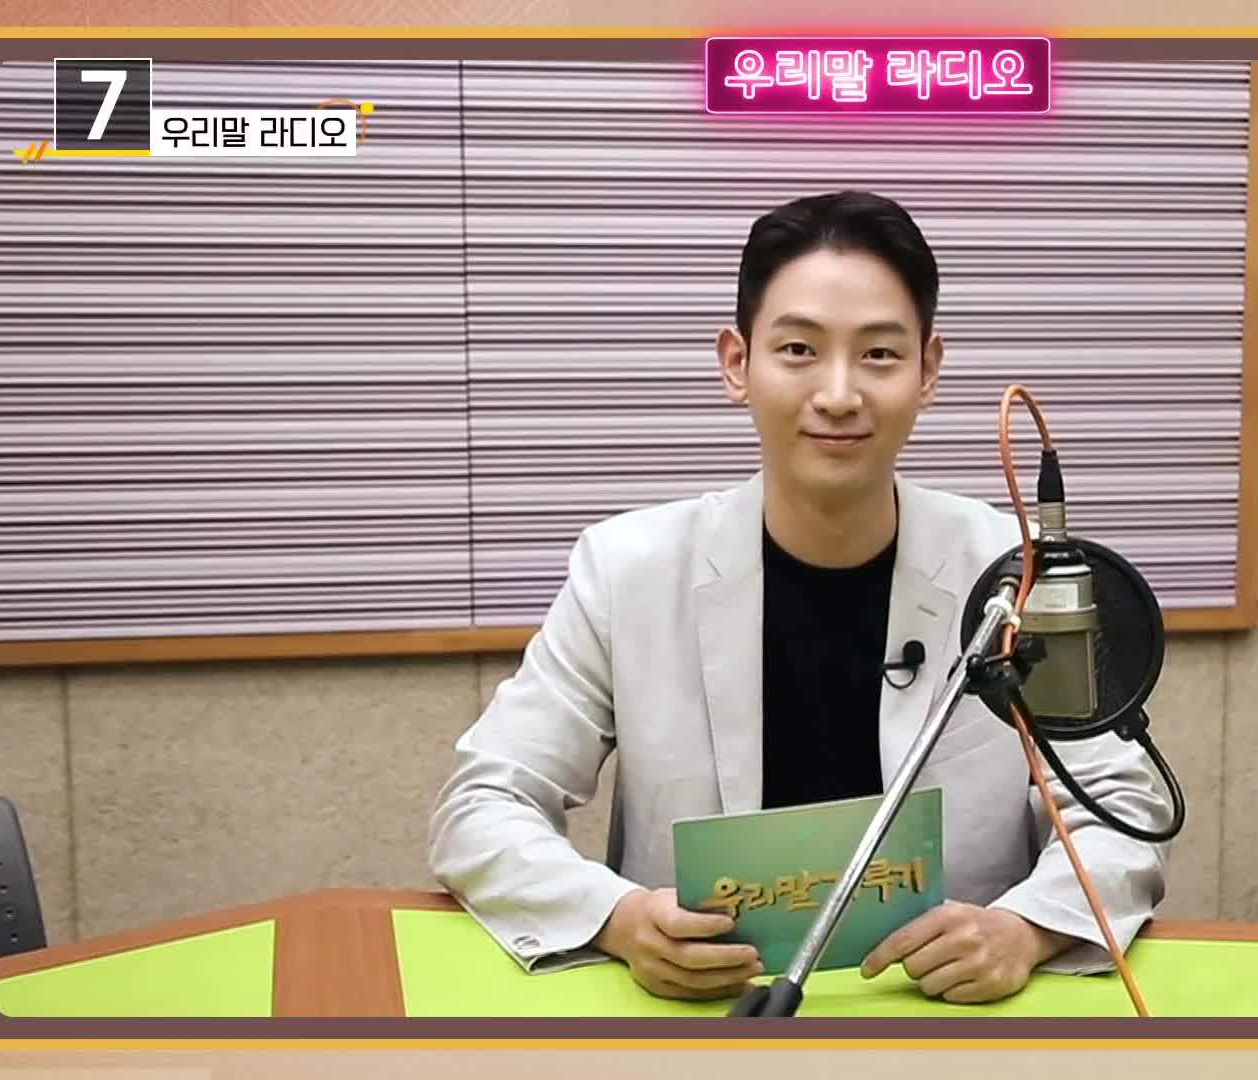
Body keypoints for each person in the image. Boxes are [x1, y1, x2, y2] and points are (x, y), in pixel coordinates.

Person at [427, 190, 1171, 1006]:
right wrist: (619, 918)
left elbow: (1123, 805)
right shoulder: (628, 571)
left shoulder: (1012, 574)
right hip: (699, 1018)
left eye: (879, 354)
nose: (839, 394)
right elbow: (483, 804)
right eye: (799, 350)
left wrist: (1027, 928)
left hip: (945, 1019)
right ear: (737, 363)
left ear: (928, 371)